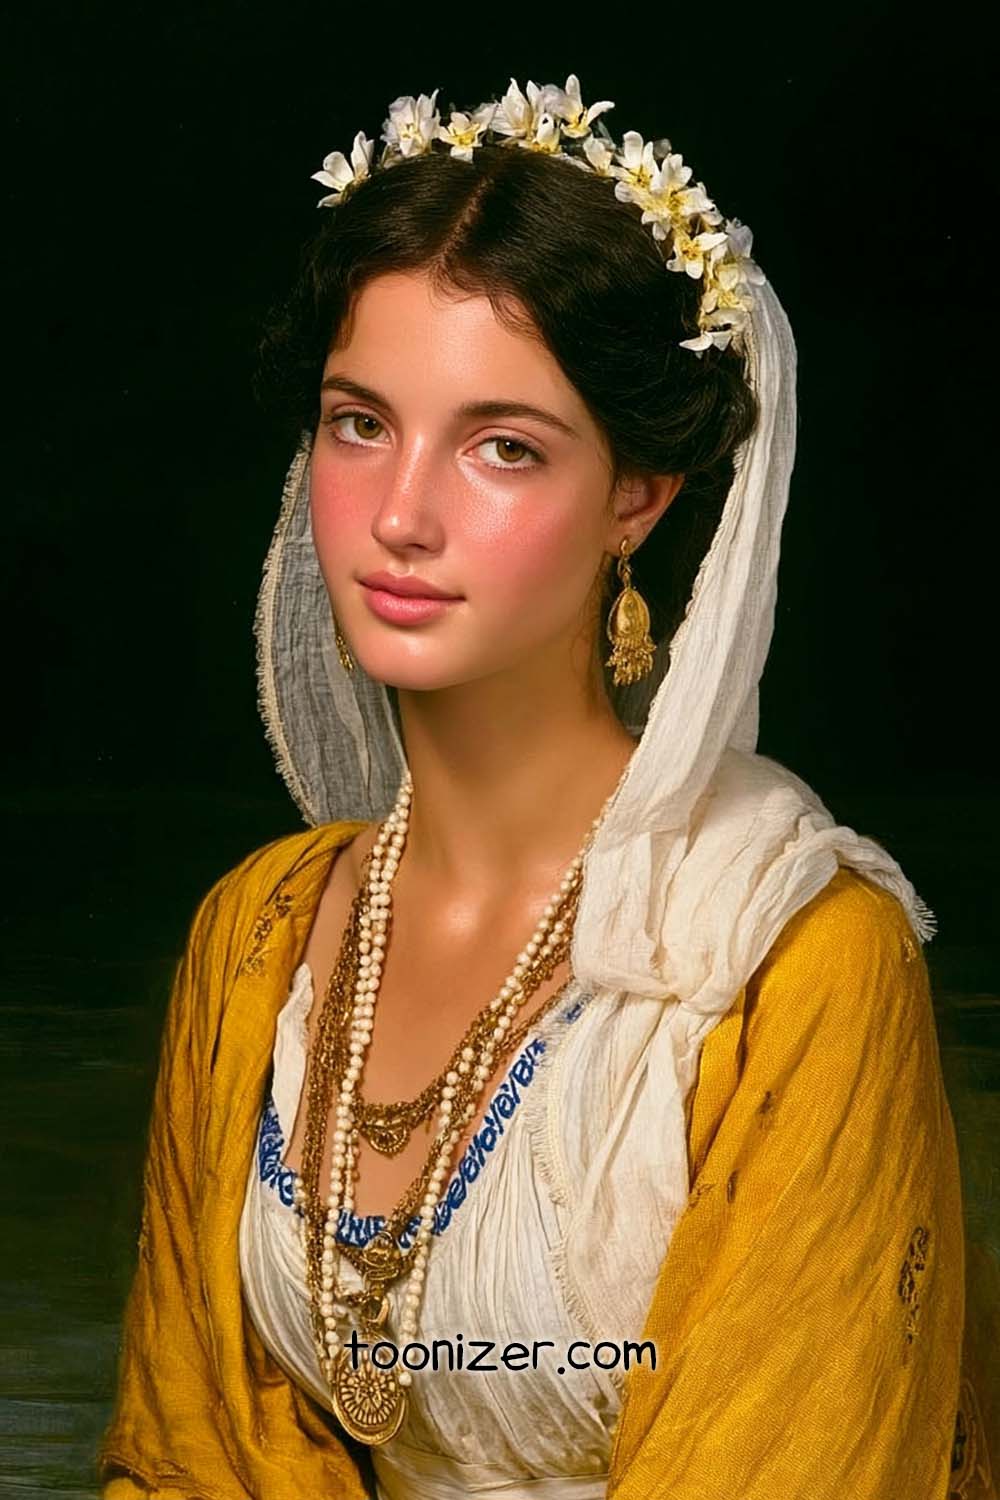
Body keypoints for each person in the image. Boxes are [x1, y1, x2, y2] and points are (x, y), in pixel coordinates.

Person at [96, 74, 991, 1499]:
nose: (400, 512)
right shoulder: (260, 936)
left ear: (639, 496)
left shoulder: (786, 963)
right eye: (359, 422)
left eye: (503, 446)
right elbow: (190, 1449)